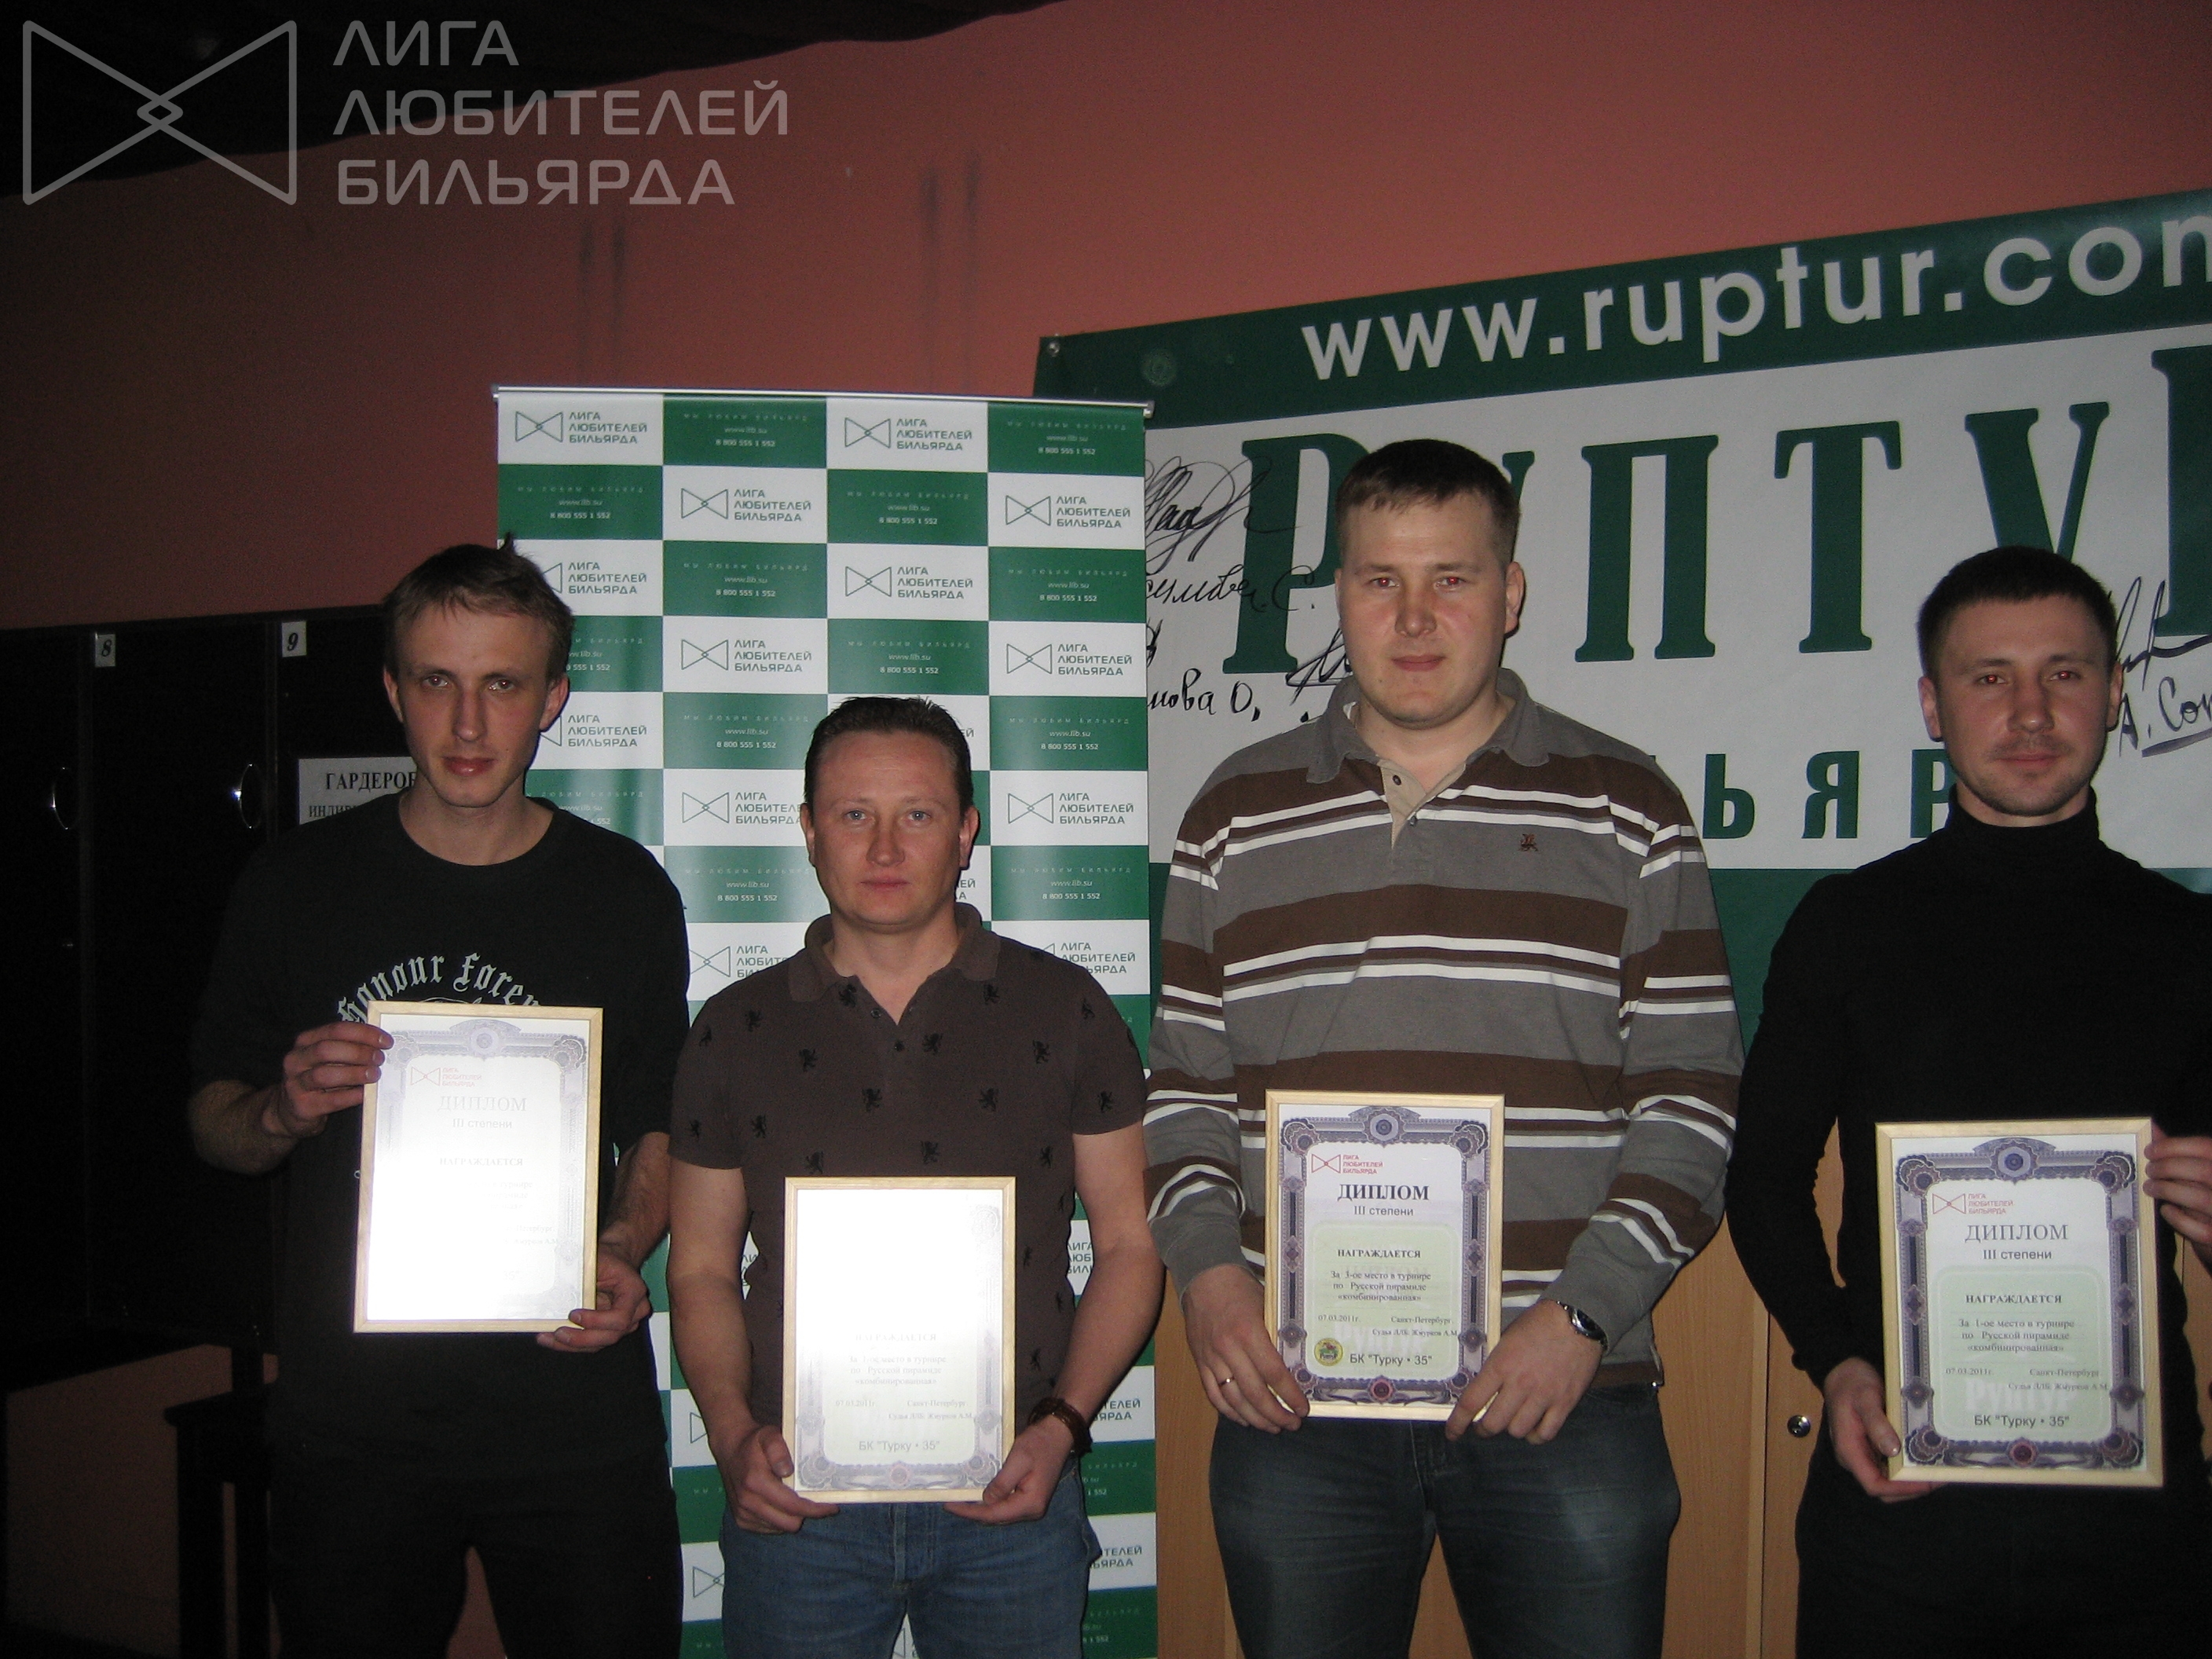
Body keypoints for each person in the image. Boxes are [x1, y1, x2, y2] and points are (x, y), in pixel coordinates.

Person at [1144, 438, 1740, 1659]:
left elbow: (1692, 1104)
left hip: (1563, 1394)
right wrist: (1208, 1280)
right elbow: (1187, 1098)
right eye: (1381, 580)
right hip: (1299, 1403)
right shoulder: (1233, 814)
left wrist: (1581, 1318)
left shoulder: (1629, 808)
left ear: (1509, 594)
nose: (1414, 618)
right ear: (1341, 595)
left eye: (1452, 579)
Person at [189, 544, 687, 1658]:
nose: (468, 723)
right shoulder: (293, 884)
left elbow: (657, 1119)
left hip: (570, 1414)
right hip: (351, 1423)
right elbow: (212, 1123)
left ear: (552, 699)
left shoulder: (622, 893)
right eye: (436, 681)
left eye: (503, 683)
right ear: (392, 690)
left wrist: (621, 1245)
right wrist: (280, 1110)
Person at [1727, 544, 2212, 1657]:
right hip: (1899, 1496)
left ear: (2114, 693)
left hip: (2137, 1528)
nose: (2030, 711)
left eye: (2064, 673)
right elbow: (1761, 1182)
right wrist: (1833, 1360)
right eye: (1989, 677)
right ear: (1932, 706)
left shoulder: (2189, 942)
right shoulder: (1846, 925)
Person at [666, 696, 1163, 1659]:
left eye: (918, 814)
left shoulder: (1066, 1007)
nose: (885, 847)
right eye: (854, 814)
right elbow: (698, 1269)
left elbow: (1129, 1245)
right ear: (809, 830)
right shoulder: (731, 1029)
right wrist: (729, 1438)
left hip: (1013, 1493)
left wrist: (1060, 1428)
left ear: (965, 831)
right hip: (796, 1500)